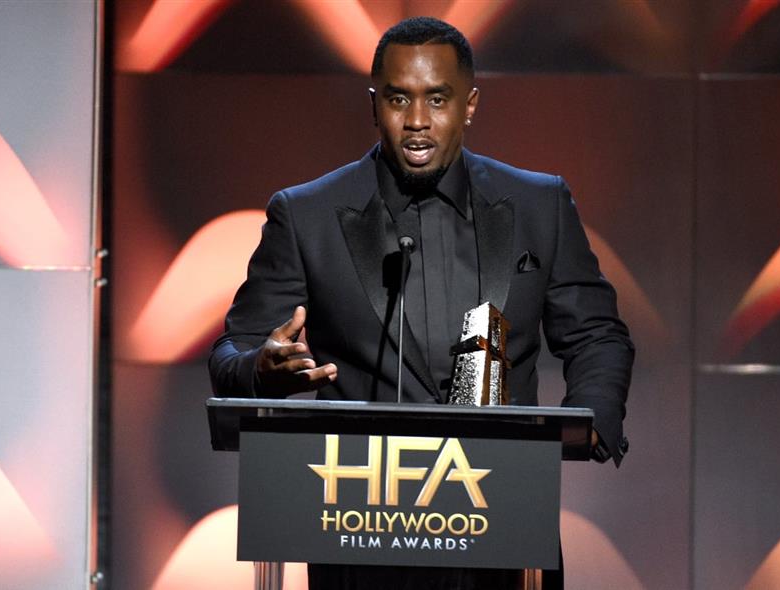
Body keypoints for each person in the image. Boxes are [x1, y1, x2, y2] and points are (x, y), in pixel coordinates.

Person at [209, 16, 633, 590]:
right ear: (374, 105)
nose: (416, 120)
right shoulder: (307, 215)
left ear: (469, 105)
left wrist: (590, 422)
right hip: (359, 534)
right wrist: (261, 369)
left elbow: (596, 334)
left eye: (437, 99)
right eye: (398, 99)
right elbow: (232, 351)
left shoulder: (539, 204)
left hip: (503, 522)